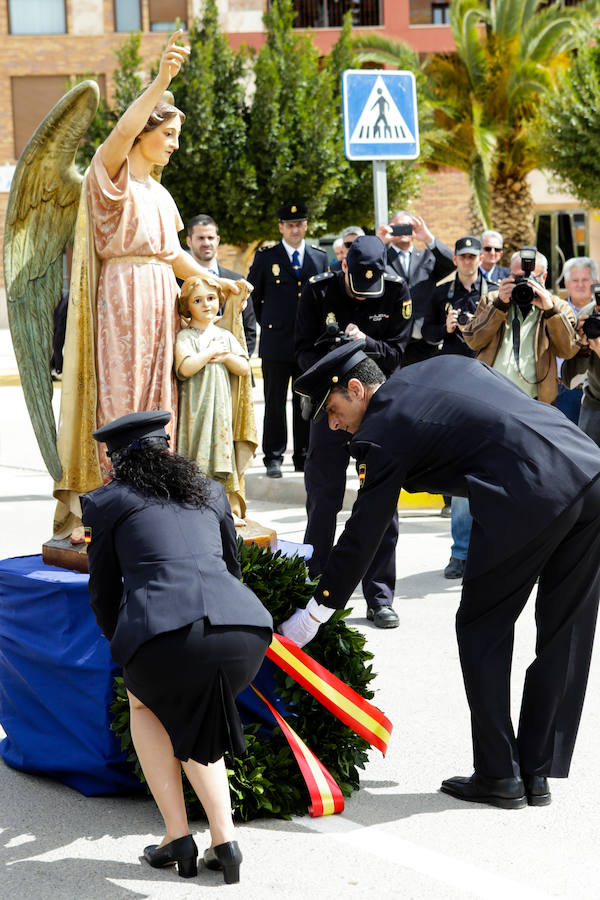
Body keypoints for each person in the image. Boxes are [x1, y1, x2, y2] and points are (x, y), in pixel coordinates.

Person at [282, 342, 600, 810]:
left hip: (528, 492)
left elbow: (365, 529)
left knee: (482, 627)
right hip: (588, 468)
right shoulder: (435, 368)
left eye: (332, 410)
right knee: (564, 631)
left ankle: (499, 774)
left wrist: (316, 611)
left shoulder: (384, 426)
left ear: (356, 389)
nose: (332, 424)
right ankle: (536, 771)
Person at [54, 31, 242, 543]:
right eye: (169, 134)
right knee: (122, 392)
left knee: (161, 395)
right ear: (144, 134)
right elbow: (120, 130)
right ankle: (112, 499)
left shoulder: (160, 194)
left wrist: (213, 280)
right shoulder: (109, 175)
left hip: (160, 296)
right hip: (123, 295)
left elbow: (173, 254)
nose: (175, 144)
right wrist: (162, 80)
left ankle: (156, 498)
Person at [81, 411, 272, 883]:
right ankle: (224, 842)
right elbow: (232, 567)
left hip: (165, 632)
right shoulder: (210, 490)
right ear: (167, 449)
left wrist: (124, 645)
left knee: (145, 705)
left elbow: (103, 591)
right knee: (197, 708)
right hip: (244, 628)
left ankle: (178, 836)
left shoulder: (106, 502)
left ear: (117, 461)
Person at [295, 235, 412, 627]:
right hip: (332, 407)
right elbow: (301, 351)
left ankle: (379, 596)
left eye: (370, 286)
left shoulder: (395, 291)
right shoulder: (318, 291)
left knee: (382, 502)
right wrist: (332, 356)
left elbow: (397, 354)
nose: (364, 295)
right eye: (357, 284)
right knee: (323, 498)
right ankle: (314, 584)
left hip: (375, 410)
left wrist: (366, 343)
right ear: (343, 265)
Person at [422, 236, 486, 580]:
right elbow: (425, 333)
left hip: (487, 384)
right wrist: (445, 328)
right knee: (463, 471)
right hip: (453, 386)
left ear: (479, 259)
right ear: (456, 259)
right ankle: (460, 552)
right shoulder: (440, 293)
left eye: (473, 256)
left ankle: (487, 551)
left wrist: (477, 324)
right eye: (462, 256)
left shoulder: (493, 293)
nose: (468, 261)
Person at [249, 202, 329, 477]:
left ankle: (303, 456)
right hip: (276, 342)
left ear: (306, 226)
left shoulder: (318, 257)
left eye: (299, 224)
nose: (295, 229)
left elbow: (323, 299)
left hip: (308, 344)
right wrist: (269, 324)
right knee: (274, 402)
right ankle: (273, 456)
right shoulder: (267, 257)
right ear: (281, 227)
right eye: (290, 225)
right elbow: (254, 298)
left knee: (305, 401)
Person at [175, 276, 255, 523]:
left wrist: (227, 357)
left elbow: (244, 367)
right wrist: (208, 353)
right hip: (195, 410)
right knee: (196, 454)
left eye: (211, 298)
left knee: (221, 453)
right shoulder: (185, 337)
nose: (206, 305)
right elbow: (185, 367)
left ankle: (225, 509)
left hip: (220, 410)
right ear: (187, 306)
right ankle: (194, 507)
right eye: (198, 300)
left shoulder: (224, 335)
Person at [462, 249, 579, 403]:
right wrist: (499, 305)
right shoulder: (492, 300)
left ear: (544, 277)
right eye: (517, 277)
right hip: (491, 396)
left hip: (534, 401)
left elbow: (567, 351)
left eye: (530, 278)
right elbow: (473, 341)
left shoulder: (559, 307)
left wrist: (551, 312)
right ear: (509, 275)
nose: (523, 283)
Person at [376, 210, 454, 366]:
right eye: (398, 227)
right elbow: (364, 269)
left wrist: (428, 238)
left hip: (425, 338)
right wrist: (378, 242)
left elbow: (452, 262)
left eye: (408, 226)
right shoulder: (381, 258)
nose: (403, 230)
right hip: (393, 339)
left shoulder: (427, 256)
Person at [186, 213, 257, 357]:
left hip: (233, 363)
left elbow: (249, 329)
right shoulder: (177, 282)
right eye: (200, 238)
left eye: (210, 237)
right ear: (189, 241)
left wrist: (237, 361)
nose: (206, 243)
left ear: (217, 240)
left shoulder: (237, 280)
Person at [555, 257, 599, 423]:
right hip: (564, 388)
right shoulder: (555, 312)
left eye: (585, 280)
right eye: (575, 280)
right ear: (566, 284)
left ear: (595, 283)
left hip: (594, 392)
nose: (580, 285)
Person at [562, 286, 600, 446]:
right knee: (588, 460)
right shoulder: (589, 316)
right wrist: (582, 348)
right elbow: (569, 381)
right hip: (594, 404)